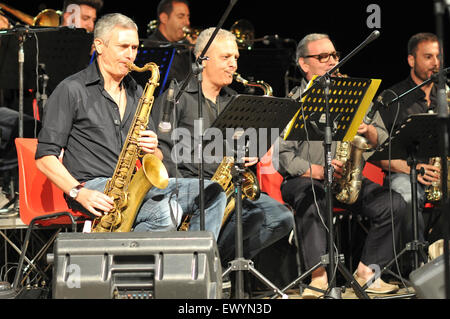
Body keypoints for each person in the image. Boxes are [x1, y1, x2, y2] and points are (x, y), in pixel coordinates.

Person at [34, 13, 226, 240]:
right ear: (99, 46)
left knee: (213, 192)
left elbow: (156, 156)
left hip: (133, 184)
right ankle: (134, 271)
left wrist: (153, 148)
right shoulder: (72, 89)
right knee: (165, 213)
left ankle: (195, 266)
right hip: (93, 187)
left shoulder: (137, 92)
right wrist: (79, 192)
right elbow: (44, 157)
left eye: (134, 47)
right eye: (123, 46)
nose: (131, 55)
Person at [152, 27, 294, 271]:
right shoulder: (177, 96)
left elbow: (246, 145)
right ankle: (202, 269)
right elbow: (161, 151)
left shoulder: (235, 100)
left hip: (229, 188)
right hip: (191, 189)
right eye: (226, 57)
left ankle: (219, 263)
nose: (233, 65)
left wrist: (252, 151)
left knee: (280, 218)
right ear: (202, 60)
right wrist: (179, 194)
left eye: (236, 58)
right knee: (250, 216)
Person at [277, 33, 406, 298]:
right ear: (304, 64)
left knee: (394, 204)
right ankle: (319, 276)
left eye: (334, 55)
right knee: (312, 197)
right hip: (306, 178)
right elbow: (285, 157)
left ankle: (367, 272)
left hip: (345, 177)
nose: (332, 61)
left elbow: (383, 138)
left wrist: (368, 129)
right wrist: (320, 171)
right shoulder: (292, 102)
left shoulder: (354, 94)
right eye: (323, 57)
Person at [378, 33, 441, 262]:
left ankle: (440, 255)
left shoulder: (445, 96)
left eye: (438, 56)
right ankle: (419, 265)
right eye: (428, 57)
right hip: (404, 174)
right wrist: (412, 169)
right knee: (405, 194)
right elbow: (376, 154)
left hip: (440, 175)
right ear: (411, 60)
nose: (436, 63)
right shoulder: (392, 98)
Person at [142, 0, 194, 86]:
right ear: (164, 18)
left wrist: (195, 53)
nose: (187, 22)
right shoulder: (151, 48)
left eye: (188, 17)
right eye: (181, 17)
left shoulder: (185, 46)